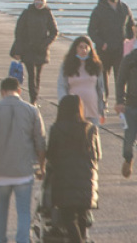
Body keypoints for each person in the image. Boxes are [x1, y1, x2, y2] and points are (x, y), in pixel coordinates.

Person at [0, 77, 47, 243]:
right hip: (24, 172)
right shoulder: (32, 111)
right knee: (23, 212)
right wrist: (42, 167)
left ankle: (0, 240)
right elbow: (41, 142)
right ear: (20, 91)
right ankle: (22, 240)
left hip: (0, 172)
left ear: (2, 92)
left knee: (0, 211)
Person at [45, 95, 100, 243]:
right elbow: (97, 156)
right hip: (86, 181)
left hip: (64, 182)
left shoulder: (56, 128)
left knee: (68, 217)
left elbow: (50, 155)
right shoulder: (91, 129)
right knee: (82, 217)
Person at [87, 0, 135, 101]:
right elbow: (91, 30)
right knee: (103, 77)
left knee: (121, 76)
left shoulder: (124, 8)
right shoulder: (99, 9)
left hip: (120, 49)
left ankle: (121, 101)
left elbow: (131, 27)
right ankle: (104, 100)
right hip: (104, 49)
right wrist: (101, 43)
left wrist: (129, 41)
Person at [10, 0, 59, 105]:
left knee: (38, 76)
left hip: (41, 50)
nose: (39, 2)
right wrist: (18, 49)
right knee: (31, 75)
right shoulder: (27, 13)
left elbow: (54, 32)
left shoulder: (47, 13)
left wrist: (46, 43)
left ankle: (34, 98)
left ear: (45, 2)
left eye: (42, 0)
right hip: (28, 49)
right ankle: (33, 100)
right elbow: (19, 32)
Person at [57, 36, 107, 128]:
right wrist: (63, 102)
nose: (83, 50)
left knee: (92, 137)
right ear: (75, 48)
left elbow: (100, 88)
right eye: (81, 47)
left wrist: (102, 108)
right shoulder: (67, 65)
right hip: (73, 108)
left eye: (86, 47)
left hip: (92, 107)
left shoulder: (96, 65)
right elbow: (61, 85)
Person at [116, 41, 137, 177]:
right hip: (131, 105)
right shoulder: (129, 59)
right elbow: (120, 82)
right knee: (128, 139)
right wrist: (119, 101)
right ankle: (128, 159)